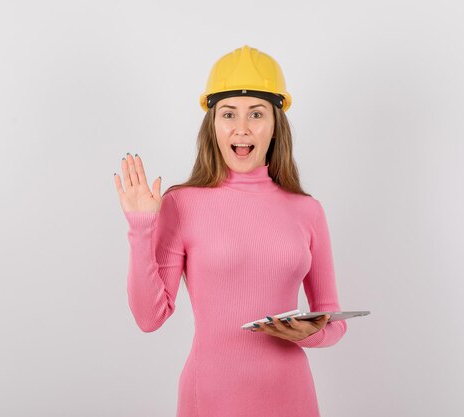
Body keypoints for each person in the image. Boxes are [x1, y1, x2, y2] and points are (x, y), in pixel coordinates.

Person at [113, 45, 347, 417]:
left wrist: (312, 333)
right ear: (213, 124)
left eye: (256, 114)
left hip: (292, 397)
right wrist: (142, 227)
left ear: (275, 125)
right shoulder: (182, 203)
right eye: (228, 114)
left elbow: (331, 317)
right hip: (210, 396)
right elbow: (149, 318)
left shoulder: (308, 210)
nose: (242, 128)